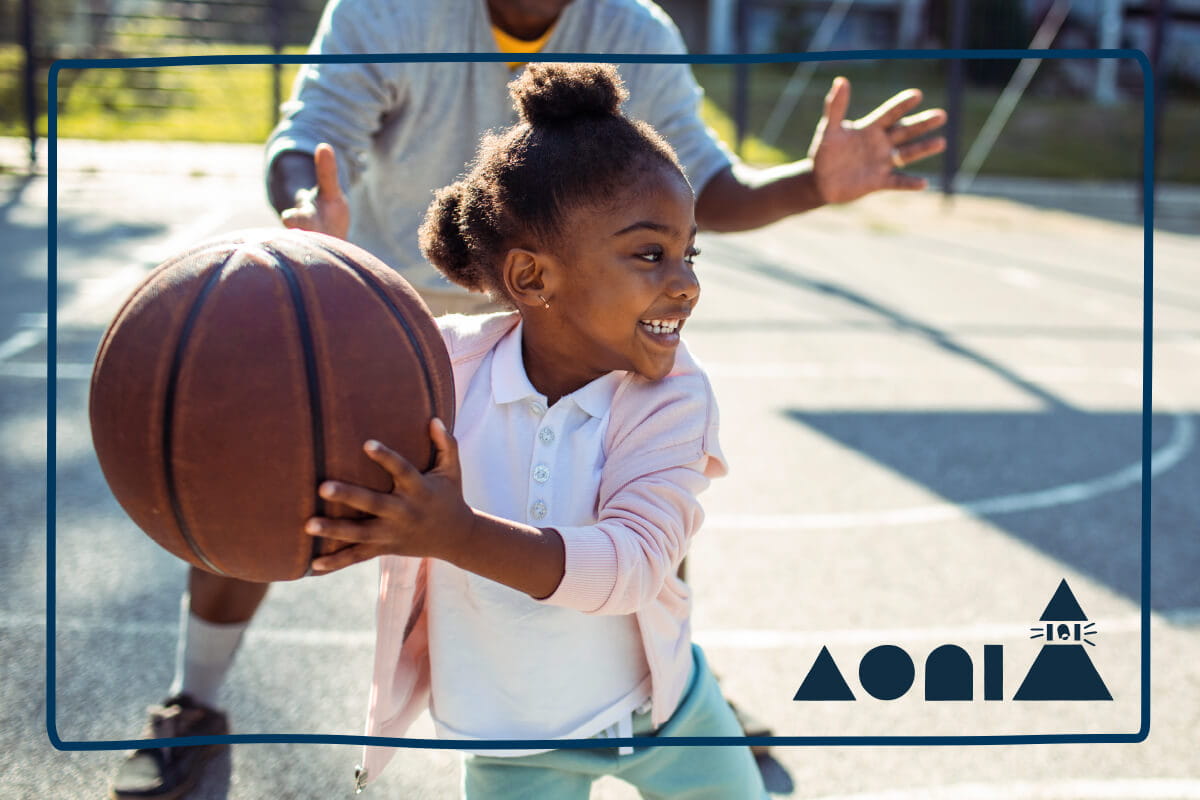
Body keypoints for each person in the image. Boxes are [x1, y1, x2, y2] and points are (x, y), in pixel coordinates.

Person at [111, 1, 947, 797]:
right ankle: (197, 698)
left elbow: (704, 181)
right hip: (391, 315)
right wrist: (304, 216)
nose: (689, 280)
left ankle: (660, 675)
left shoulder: (629, 28)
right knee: (267, 463)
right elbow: (312, 135)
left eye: (689, 259)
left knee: (634, 509)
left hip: (595, 309)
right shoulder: (389, 14)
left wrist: (810, 183)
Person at [304, 61, 764, 798]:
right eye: (651, 254)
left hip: (660, 716)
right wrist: (317, 273)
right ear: (531, 279)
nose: (685, 282)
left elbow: (633, 567)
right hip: (510, 735)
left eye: (688, 253)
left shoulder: (672, 396)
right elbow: (331, 378)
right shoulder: (446, 368)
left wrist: (454, 534)